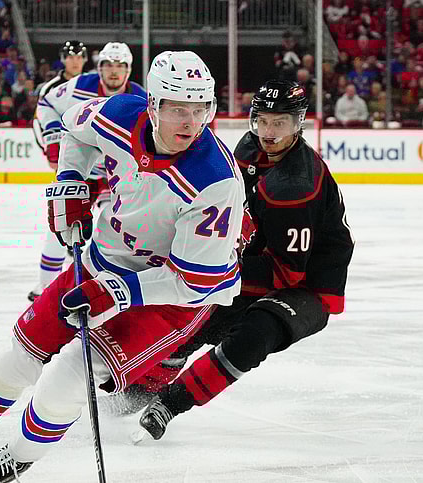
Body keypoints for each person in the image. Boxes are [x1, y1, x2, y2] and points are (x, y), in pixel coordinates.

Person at [0, 50, 245, 483]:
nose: (190, 123)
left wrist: (120, 292)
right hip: (102, 263)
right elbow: (74, 130)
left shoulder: (215, 180)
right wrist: (71, 182)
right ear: (152, 105)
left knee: (68, 375)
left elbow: (193, 283)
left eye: (200, 109)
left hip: (169, 300)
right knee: (18, 356)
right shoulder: (119, 112)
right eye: (177, 109)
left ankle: (17, 456)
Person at [133, 79, 355, 442]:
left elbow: (286, 272)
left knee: (255, 332)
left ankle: (170, 404)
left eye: (280, 123)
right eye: (262, 121)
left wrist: (215, 272)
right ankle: (139, 389)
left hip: (308, 284)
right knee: (194, 314)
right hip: (262, 259)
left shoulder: (294, 186)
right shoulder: (249, 148)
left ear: (298, 125)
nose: (268, 132)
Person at [28, 41, 147, 301]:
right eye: (108, 65)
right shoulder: (80, 86)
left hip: (117, 177)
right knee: (61, 225)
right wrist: (51, 138)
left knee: (115, 227)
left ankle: (103, 285)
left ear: (128, 70)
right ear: (99, 68)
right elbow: (46, 104)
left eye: (120, 66)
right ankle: (45, 289)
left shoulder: (139, 96)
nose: (114, 72)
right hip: (81, 171)